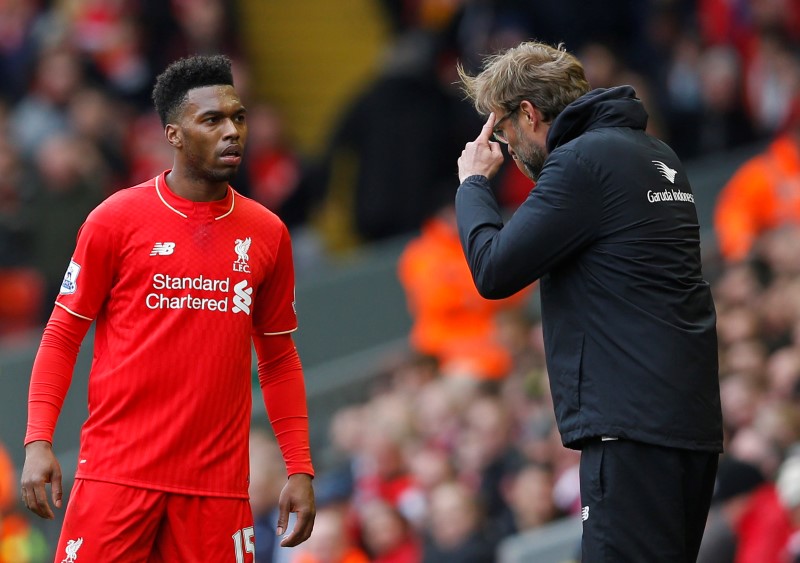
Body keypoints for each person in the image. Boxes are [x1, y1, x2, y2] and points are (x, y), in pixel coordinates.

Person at [20, 54, 316, 562]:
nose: (232, 132)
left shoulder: (267, 234)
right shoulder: (115, 220)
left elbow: (279, 358)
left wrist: (299, 467)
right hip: (117, 476)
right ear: (174, 134)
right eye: (212, 120)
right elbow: (61, 336)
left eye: (238, 118)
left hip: (217, 491)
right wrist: (37, 442)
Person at [454, 41, 723, 562]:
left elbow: (492, 269)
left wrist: (472, 186)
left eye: (506, 136)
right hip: (688, 426)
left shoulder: (581, 161)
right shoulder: (656, 154)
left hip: (630, 430)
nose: (509, 154)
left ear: (528, 114)